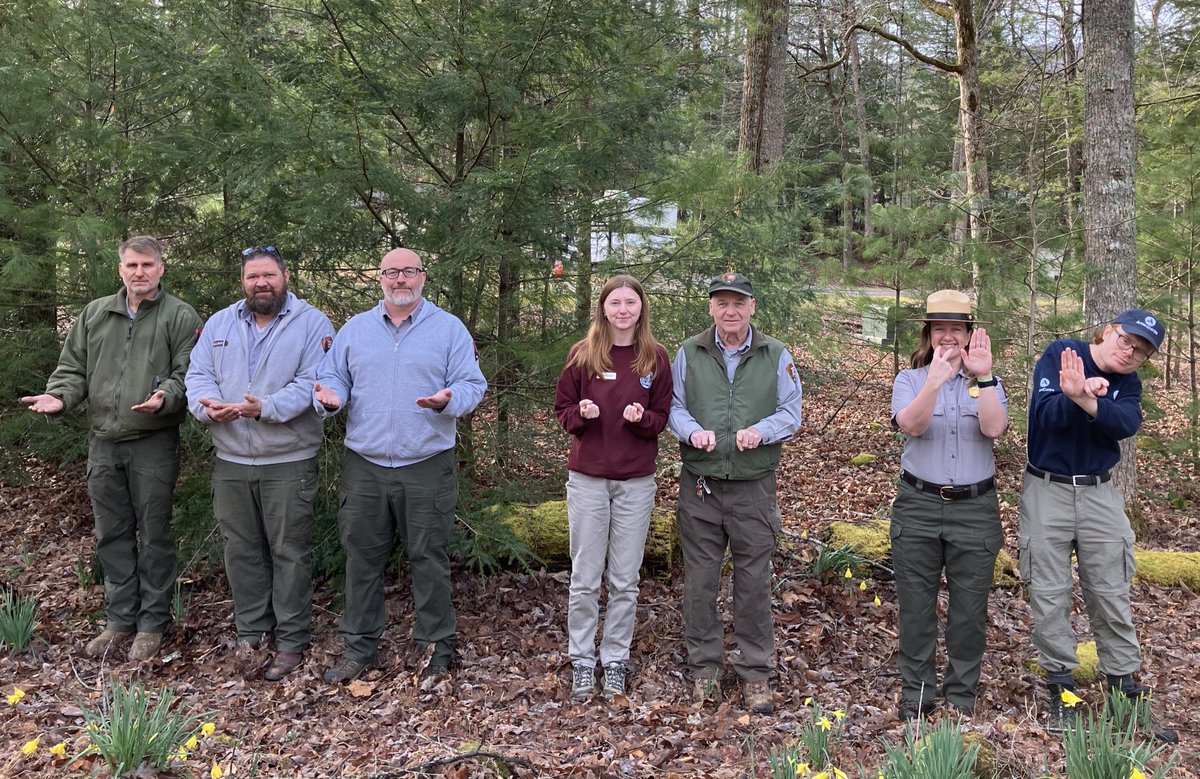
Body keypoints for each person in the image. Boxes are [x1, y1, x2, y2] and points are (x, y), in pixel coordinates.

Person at [21, 235, 201, 662]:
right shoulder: (95, 314)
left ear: (161, 269)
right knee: (112, 534)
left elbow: (188, 372)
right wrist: (61, 397)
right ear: (120, 269)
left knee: (154, 535)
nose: (139, 272)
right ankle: (120, 619)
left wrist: (166, 397)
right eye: (132, 265)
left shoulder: (179, 315)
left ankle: (152, 624)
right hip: (103, 441)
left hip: (153, 441)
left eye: (147, 265)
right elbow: (72, 370)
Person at [314, 248, 486, 684]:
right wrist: (331, 398)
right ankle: (359, 649)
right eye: (392, 273)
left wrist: (450, 400)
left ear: (422, 277)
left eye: (408, 272)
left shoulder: (448, 329)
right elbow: (334, 377)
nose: (400, 280)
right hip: (365, 464)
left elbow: (472, 383)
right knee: (362, 560)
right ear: (381, 279)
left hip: (426, 462)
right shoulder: (355, 329)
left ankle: (436, 648)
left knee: (428, 557)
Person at [1023, 309, 1177, 741]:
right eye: (1127, 341)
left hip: (1100, 494)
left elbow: (1125, 425)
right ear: (1108, 331)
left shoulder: (1129, 383)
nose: (1131, 353)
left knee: (1111, 591)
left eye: (1142, 351)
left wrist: (1088, 400)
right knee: (1049, 592)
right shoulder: (1060, 353)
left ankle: (1123, 690)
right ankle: (1062, 689)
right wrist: (1073, 394)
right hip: (1046, 489)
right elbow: (1045, 415)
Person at [185, 245, 334, 681]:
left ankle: (291, 640)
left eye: (268, 275)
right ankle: (252, 631)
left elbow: (315, 381)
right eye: (253, 277)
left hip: (288, 458)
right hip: (231, 458)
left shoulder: (312, 324)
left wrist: (264, 407)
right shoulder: (220, 323)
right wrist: (205, 407)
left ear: (285, 277)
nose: (261, 283)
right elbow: (198, 375)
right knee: (242, 550)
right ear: (243, 282)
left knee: (289, 551)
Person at [667, 271, 802, 714]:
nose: (730, 311)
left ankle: (755, 672)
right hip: (701, 488)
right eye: (722, 303)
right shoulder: (688, 352)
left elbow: (791, 412)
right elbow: (673, 406)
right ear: (710, 308)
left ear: (752, 307)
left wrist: (761, 433)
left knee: (753, 583)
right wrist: (691, 433)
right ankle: (704, 670)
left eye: (738, 303)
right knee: (701, 582)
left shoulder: (775, 354)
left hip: (753, 489)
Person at [889, 290, 1007, 721]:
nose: (948, 337)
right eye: (940, 328)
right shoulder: (909, 380)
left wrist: (985, 376)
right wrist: (935, 382)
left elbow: (994, 427)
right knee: (916, 607)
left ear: (969, 334)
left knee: (969, 610)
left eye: (956, 328)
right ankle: (916, 694)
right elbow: (913, 427)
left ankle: (960, 695)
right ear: (929, 334)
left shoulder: (988, 382)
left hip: (975, 509)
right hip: (918, 505)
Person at [554, 275, 673, 701]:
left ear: (641, 309)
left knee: (625, 579)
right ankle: (583, 660)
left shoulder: (655, 358)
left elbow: (663, 418)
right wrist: (582, 413)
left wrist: (642, 418)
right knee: (585, 578)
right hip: (588, 480)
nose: (623, 310)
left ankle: (615, 659)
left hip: (635, 483)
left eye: (631, 302)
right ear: (603, 308)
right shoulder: (583, 355)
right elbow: (562, 411)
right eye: (615, 302)